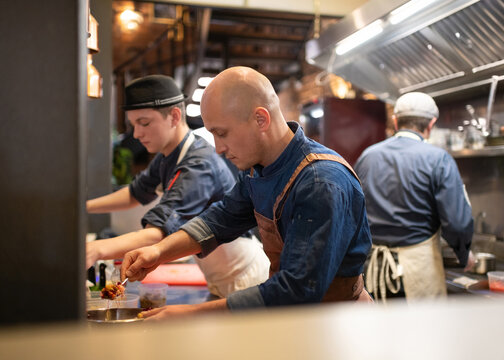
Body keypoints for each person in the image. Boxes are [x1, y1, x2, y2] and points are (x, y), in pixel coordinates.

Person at [121, 66, 373, 320]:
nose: (218, 148)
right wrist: (158, 252)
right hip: (296, 318)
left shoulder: (321, 182)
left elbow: (297, 290)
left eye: (222, 133)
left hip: (337, 322)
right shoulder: (258, 168)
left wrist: (191, 314)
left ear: (260, 119)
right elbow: (220, 219)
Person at [86, 74, 270, 298]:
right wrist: (84, 207)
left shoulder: (198, 163)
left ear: (174, 116)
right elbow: (135, 193)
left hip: (243, 275)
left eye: (144, 123)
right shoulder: (167, 156)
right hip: (217, 274)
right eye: (133, 125)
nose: (136, 134)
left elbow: (159, 233)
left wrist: (97, 249)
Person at [353, 92, 475, 302]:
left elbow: (352, 214)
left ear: (395, 121)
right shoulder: (438, 159)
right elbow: (455, 221)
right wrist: (464, 255)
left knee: (377, 332)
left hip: (372, 269)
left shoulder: (367, 156)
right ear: (431, 124)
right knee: (422, 333)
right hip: (418, 269)